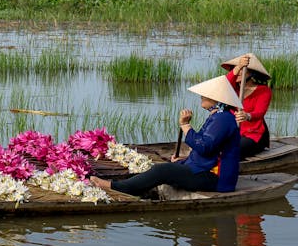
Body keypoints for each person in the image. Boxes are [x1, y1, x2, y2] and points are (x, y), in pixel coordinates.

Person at [90, 75, 241, 197]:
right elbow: (208, 149)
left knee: (162, 171)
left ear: (216, 99)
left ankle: (117, 187)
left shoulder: (223, 119)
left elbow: (204, 147)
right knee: (163, 168)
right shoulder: (218, 117)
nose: (201, 96)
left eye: (205, 94)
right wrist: (184, 160)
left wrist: (185, 125)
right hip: (205, 170)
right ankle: (125, 184)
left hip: (216, 179)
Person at [222, 52, 272, 159]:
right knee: (212, 147)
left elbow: (260, 112)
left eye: (242, 70)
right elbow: (226, 83)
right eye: (235, 70)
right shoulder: (232, 89)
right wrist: (239, 66)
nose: (238, 73)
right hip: (233, 132)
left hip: (253, 134)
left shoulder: (263, 91)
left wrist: (247, 116)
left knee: (231, 151)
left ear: (252, 73)